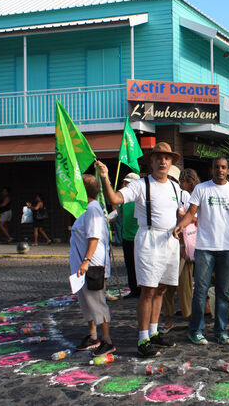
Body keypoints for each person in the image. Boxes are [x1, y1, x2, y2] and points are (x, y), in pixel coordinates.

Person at [96, 142, 181, 357]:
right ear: (152, 161)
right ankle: (143, 339)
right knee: (148, 290)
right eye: (159, 157)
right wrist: (105, 177)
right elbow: (114, 199)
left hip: (170, 240)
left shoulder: (175, 187)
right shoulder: (141, 185)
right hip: (149, 239)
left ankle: (153, 333)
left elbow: (187, 210)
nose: (163, 161)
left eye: (167, 158)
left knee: (162, 288)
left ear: (171, 163)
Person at [174, 157, 229, 346]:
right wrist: (180, 226)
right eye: (217, 167)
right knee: (200, 291)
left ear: (228, 171)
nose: (220, 170)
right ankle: (196, 331)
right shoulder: (201, 189)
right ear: (211, 170)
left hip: (227, 249)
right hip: (205, 248)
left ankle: (221, 331)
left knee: (222, 293)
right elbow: (191, 213)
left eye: (223, 167)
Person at [71, 174, 115, 356]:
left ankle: (107, 340)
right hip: (83, 266)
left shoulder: (93, 209)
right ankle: (93, 336)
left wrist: (86, 261)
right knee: (86, 302)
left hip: (92, 266)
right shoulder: (87, 209)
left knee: (97, 303)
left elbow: (94, 238)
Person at [162, 166, 196, 331]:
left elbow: (193, 217)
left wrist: (183, 244)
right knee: (165, 285)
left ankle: (190, 317)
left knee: (185, 284)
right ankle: (168, 317)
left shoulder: (184, 195)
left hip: (182, 245)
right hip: (164, 244)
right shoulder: (158, 194)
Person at [119, 172, 141, 299]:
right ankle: (134, 289)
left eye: (126, 183)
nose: (124, 185)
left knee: (138, 265)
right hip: (126, 237)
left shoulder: (138, 198)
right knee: (129, 265)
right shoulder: (125, 199)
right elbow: (121, 215)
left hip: (137, 237)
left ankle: (140, 289)